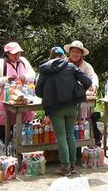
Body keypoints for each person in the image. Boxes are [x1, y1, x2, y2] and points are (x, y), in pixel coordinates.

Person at [36, 46, 92, 175]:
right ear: (63, 56)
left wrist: (48, 94)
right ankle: (72, 165)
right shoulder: (71, 67)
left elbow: (38, 91)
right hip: (72, 106)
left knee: (61, 136)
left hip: (55, 107)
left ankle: (65, 167)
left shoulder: (44, 69)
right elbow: (87, 81)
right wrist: (79, 91)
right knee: (70, 135)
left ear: (50, 56)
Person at [0, 41, 36, 141]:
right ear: (7, 53)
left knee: (21, 126)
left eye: (18, 53)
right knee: (5, 127)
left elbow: (33, 75)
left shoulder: (23, 61)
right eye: (14, 54)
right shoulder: (1, 64)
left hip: (22, 99)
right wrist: (7, 79)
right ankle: (4, 147)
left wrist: (24, 77)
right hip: (5, 99)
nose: (17, 56)